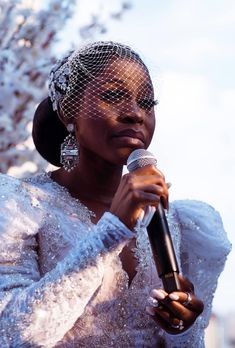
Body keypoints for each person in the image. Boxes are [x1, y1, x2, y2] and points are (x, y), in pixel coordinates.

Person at [0, 41, 231, 347]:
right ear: (70, 111)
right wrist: (113, 229)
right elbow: (13, 334)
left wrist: (181, 326)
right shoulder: (21, 206)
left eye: (148, 103)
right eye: (113, 96)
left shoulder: (170, 220)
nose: (136, 114)